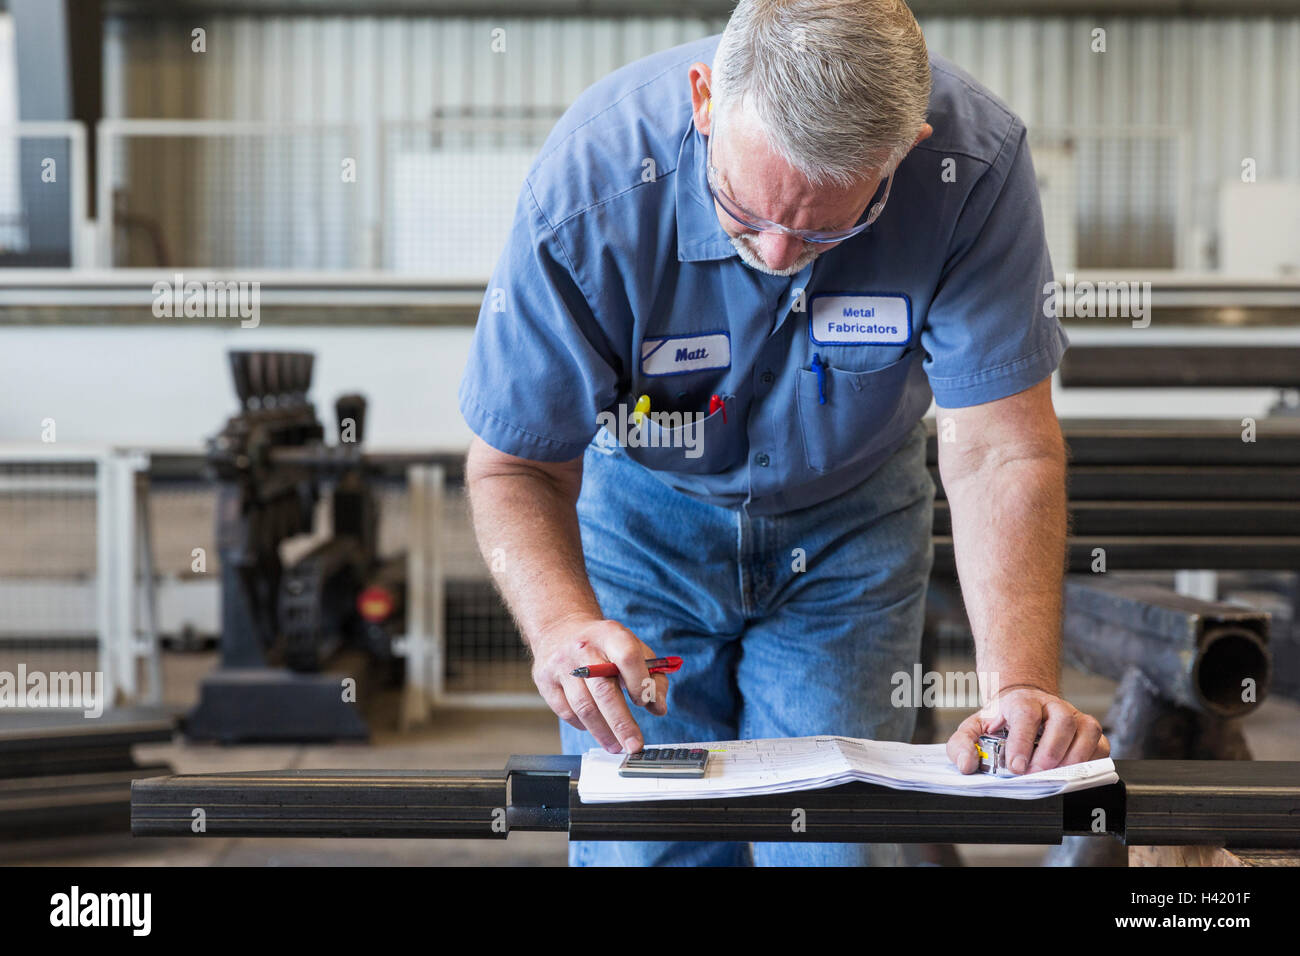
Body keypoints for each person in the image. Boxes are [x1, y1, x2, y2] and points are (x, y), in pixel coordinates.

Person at [458, 0, 1109, 866]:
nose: (773, 255)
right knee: (644, 845)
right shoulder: (589, 189)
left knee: (831, 844)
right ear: (704, 101)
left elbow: (1000, 448)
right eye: (743, 210)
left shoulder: (971, 169)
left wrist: (1019, 685)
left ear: (903, 150)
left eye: (824, 229)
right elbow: (514, 467)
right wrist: (562, 626)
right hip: (643, 526)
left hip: (850, 533)